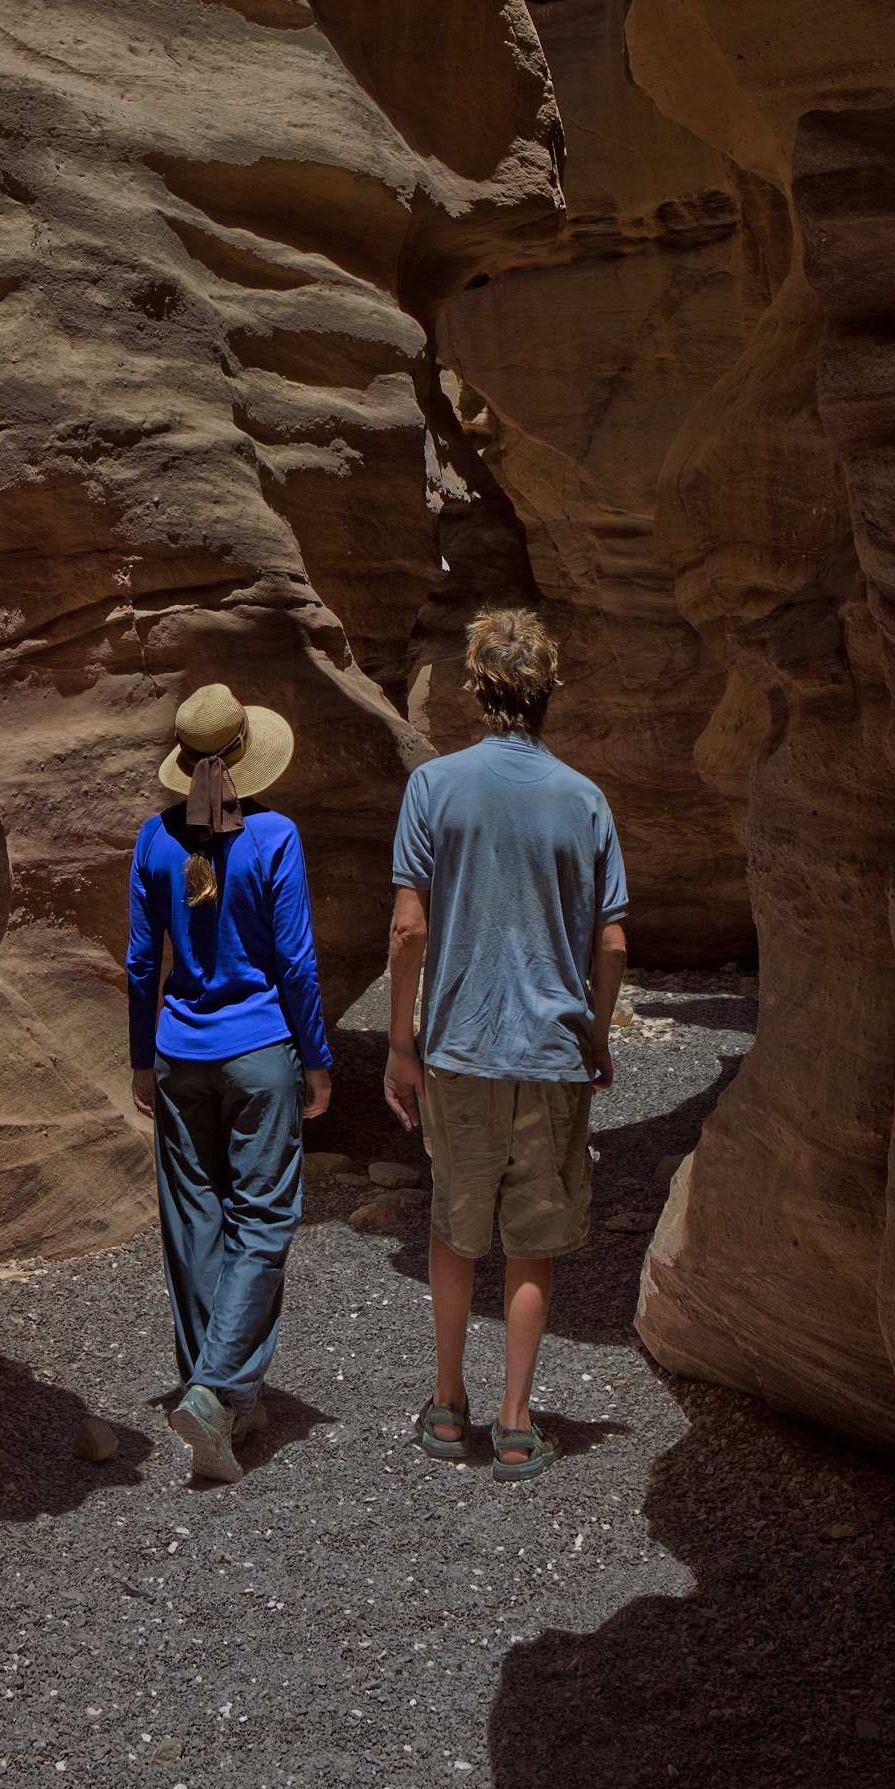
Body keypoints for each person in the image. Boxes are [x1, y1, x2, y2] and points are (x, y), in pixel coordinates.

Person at [384, 608, 628, 1483]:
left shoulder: (434, 787)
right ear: (546, 692)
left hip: (459, 1045)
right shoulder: (584, 799)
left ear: (475, 690)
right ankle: (517, 1422)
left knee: (455, 1228)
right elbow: (610, 946)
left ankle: (447, 1408)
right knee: (531, 1241)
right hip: (552, 1052)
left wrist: (400, 1044)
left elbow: (408, 929)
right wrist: (595, 1035)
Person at [127, 682, 332, 1484]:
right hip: (261, 1052)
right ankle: (218, 1390)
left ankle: (216, 1393)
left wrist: (141, 1058)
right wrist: (317, 1059)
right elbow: (296, 964)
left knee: (193, 1219)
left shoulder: (153, 839)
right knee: (264, 1218)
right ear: (246, 754)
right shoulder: (275, 835)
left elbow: (145, 963)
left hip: (181, 1053)